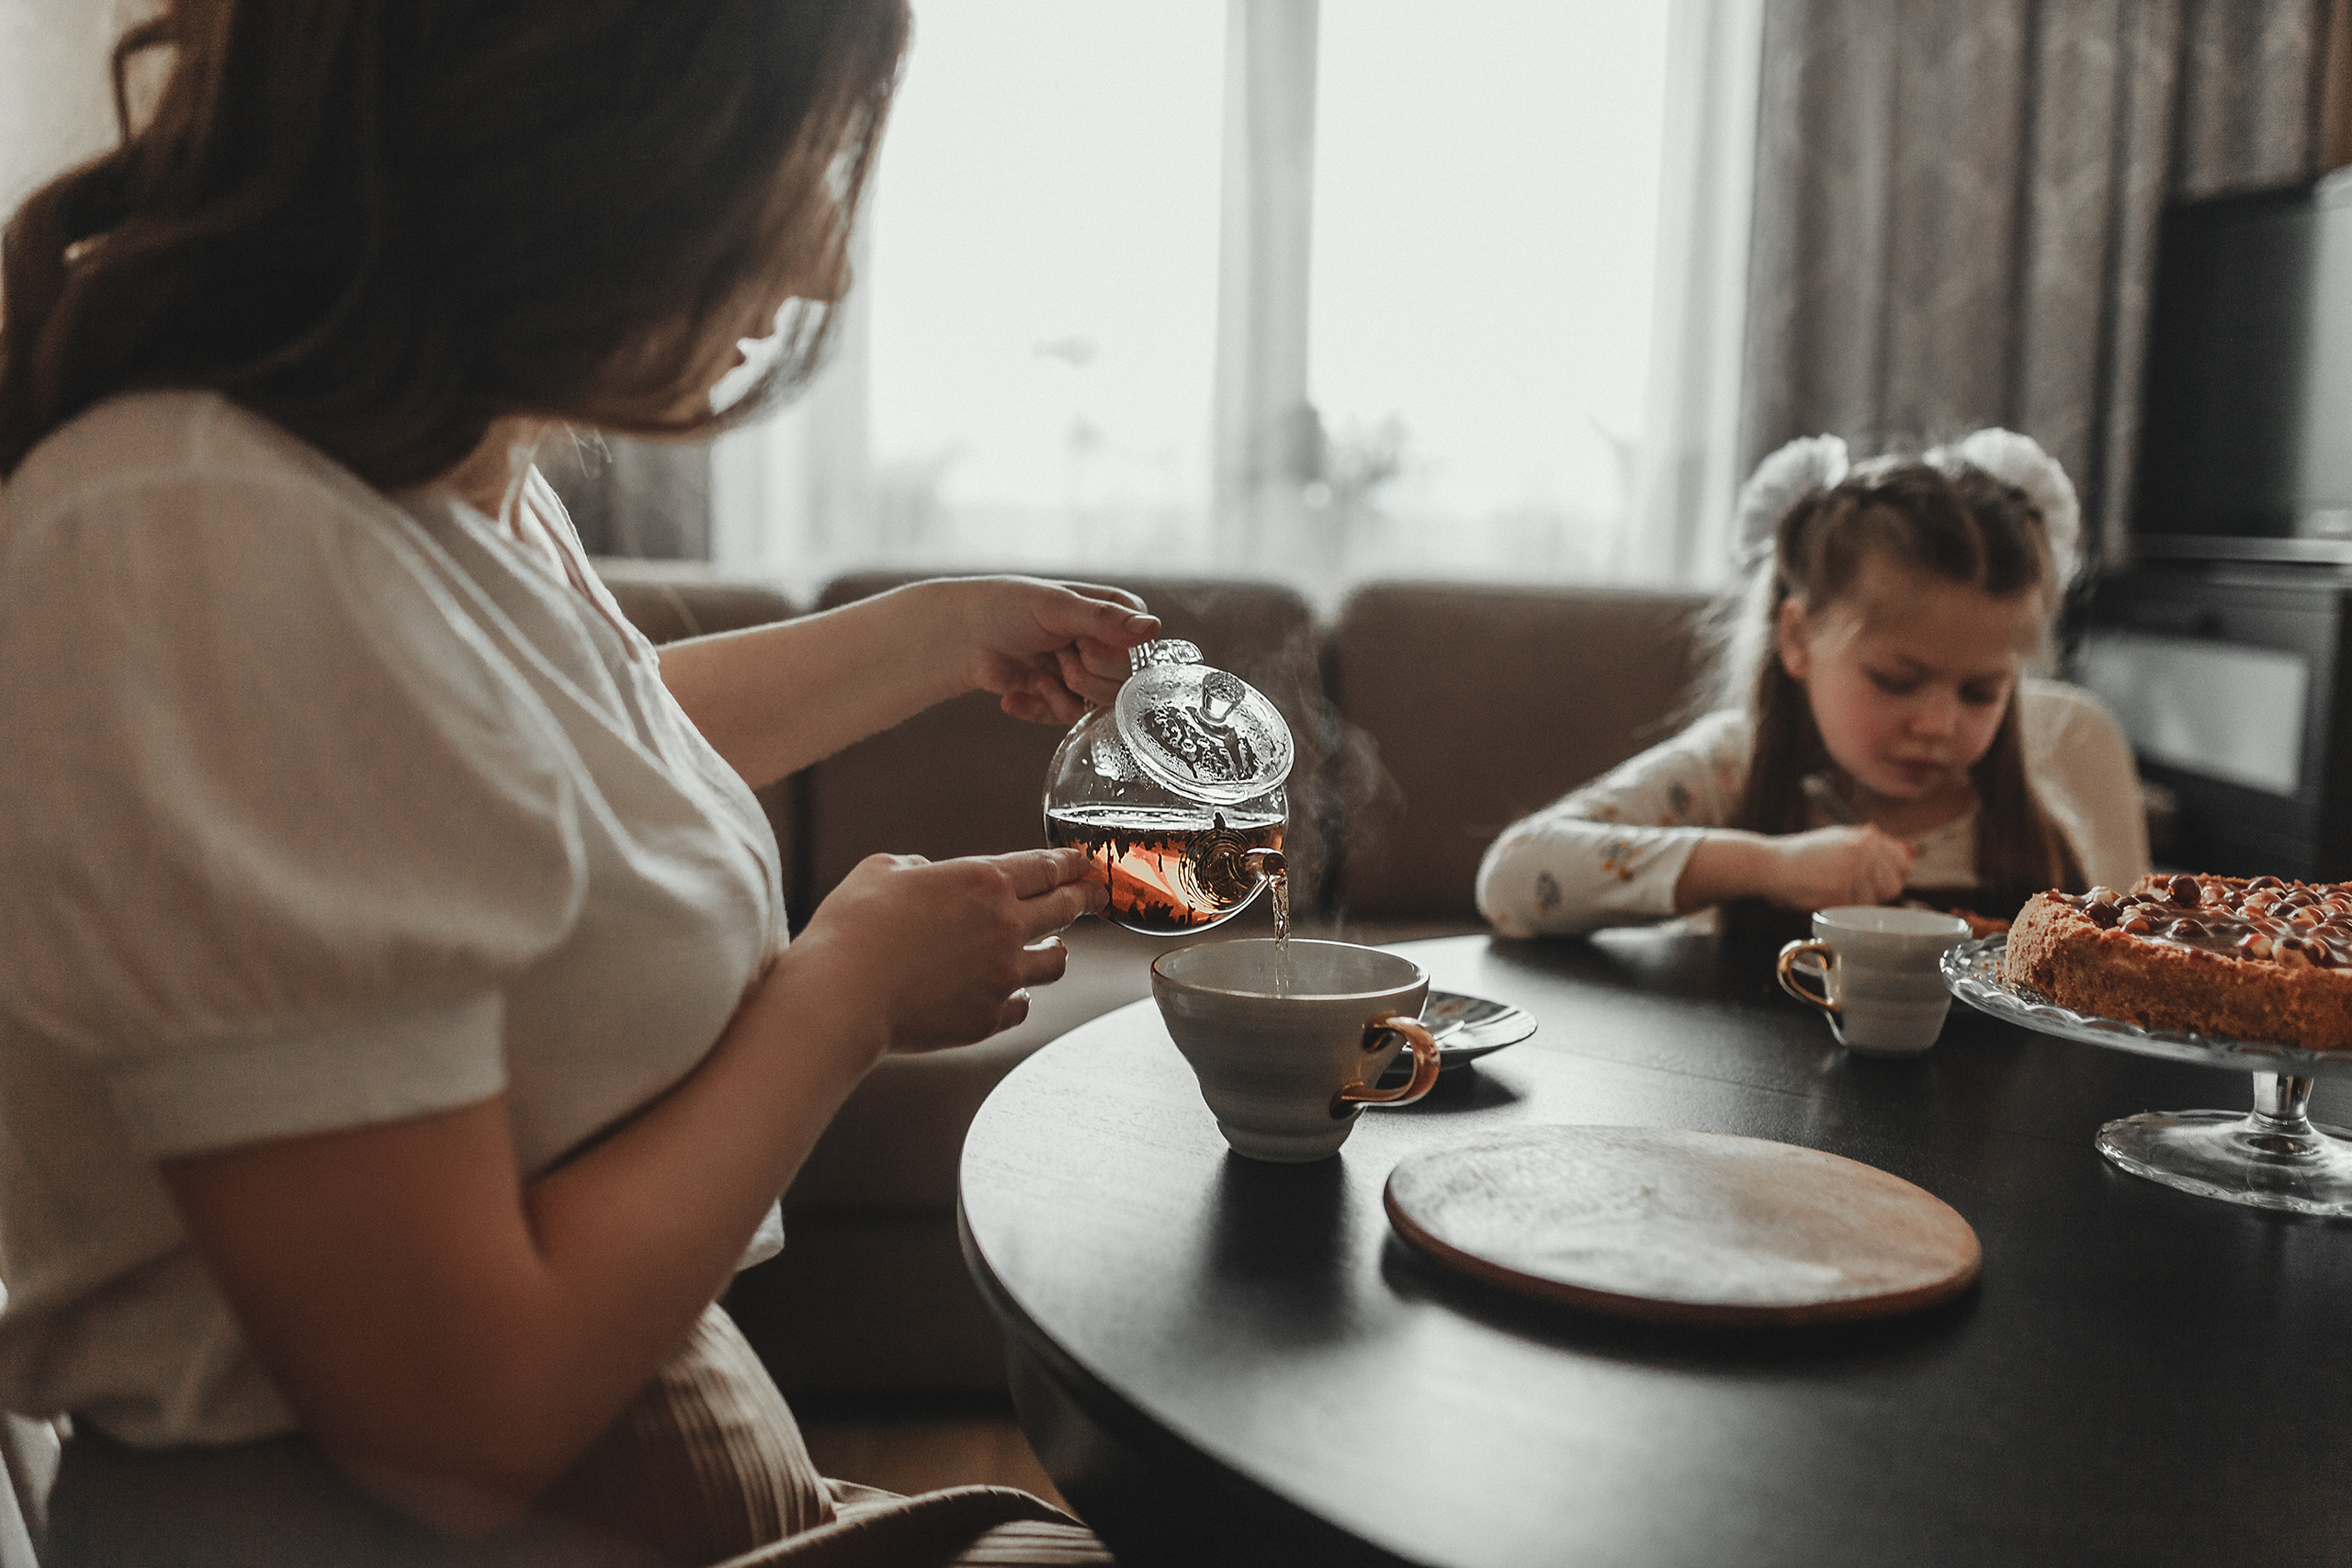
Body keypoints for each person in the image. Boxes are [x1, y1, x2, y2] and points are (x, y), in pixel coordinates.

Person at [0, 4, 1141, 1563]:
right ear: (572, 140)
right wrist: (845, 993)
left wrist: (933, 633)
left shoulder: (411, 470)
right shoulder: (200, 533)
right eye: (788, 164)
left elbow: (526, 768)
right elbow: (451, 1412)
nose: (820, 267)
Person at [1476, 430, 2151, 941]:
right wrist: (1768, 867)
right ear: (1797, 639)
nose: (1938, 725)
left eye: (1980, 693)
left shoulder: (2031, 832)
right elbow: (1511, 878)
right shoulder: (1730, 768)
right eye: (1896, 681)